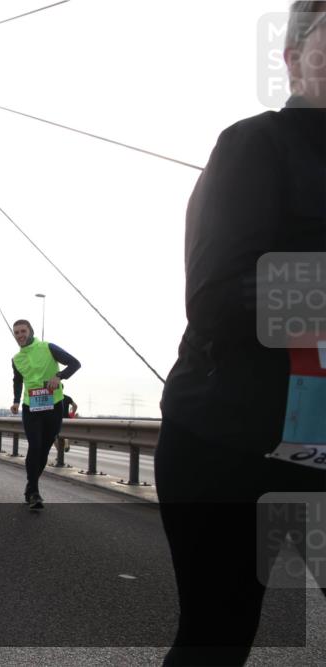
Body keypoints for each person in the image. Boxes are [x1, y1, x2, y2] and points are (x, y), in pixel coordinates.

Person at [156, 4, 326, 663]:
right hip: (226, 445)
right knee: (217, 637)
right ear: (291, 60)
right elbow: (218, 300)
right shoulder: (253, 145)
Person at [10, 319, 81, 510]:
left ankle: (30, 487)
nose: (20, 335)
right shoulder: (16, 359)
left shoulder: (48, 347)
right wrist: (16, 400)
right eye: (16, 332)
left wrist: (59, 376)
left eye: (23, 331)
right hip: (30, 406)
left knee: (44, 449)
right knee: (35, 446)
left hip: (53, 405)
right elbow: (17, 381)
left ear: (30, 331)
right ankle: (34, 491)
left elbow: (75, 363)